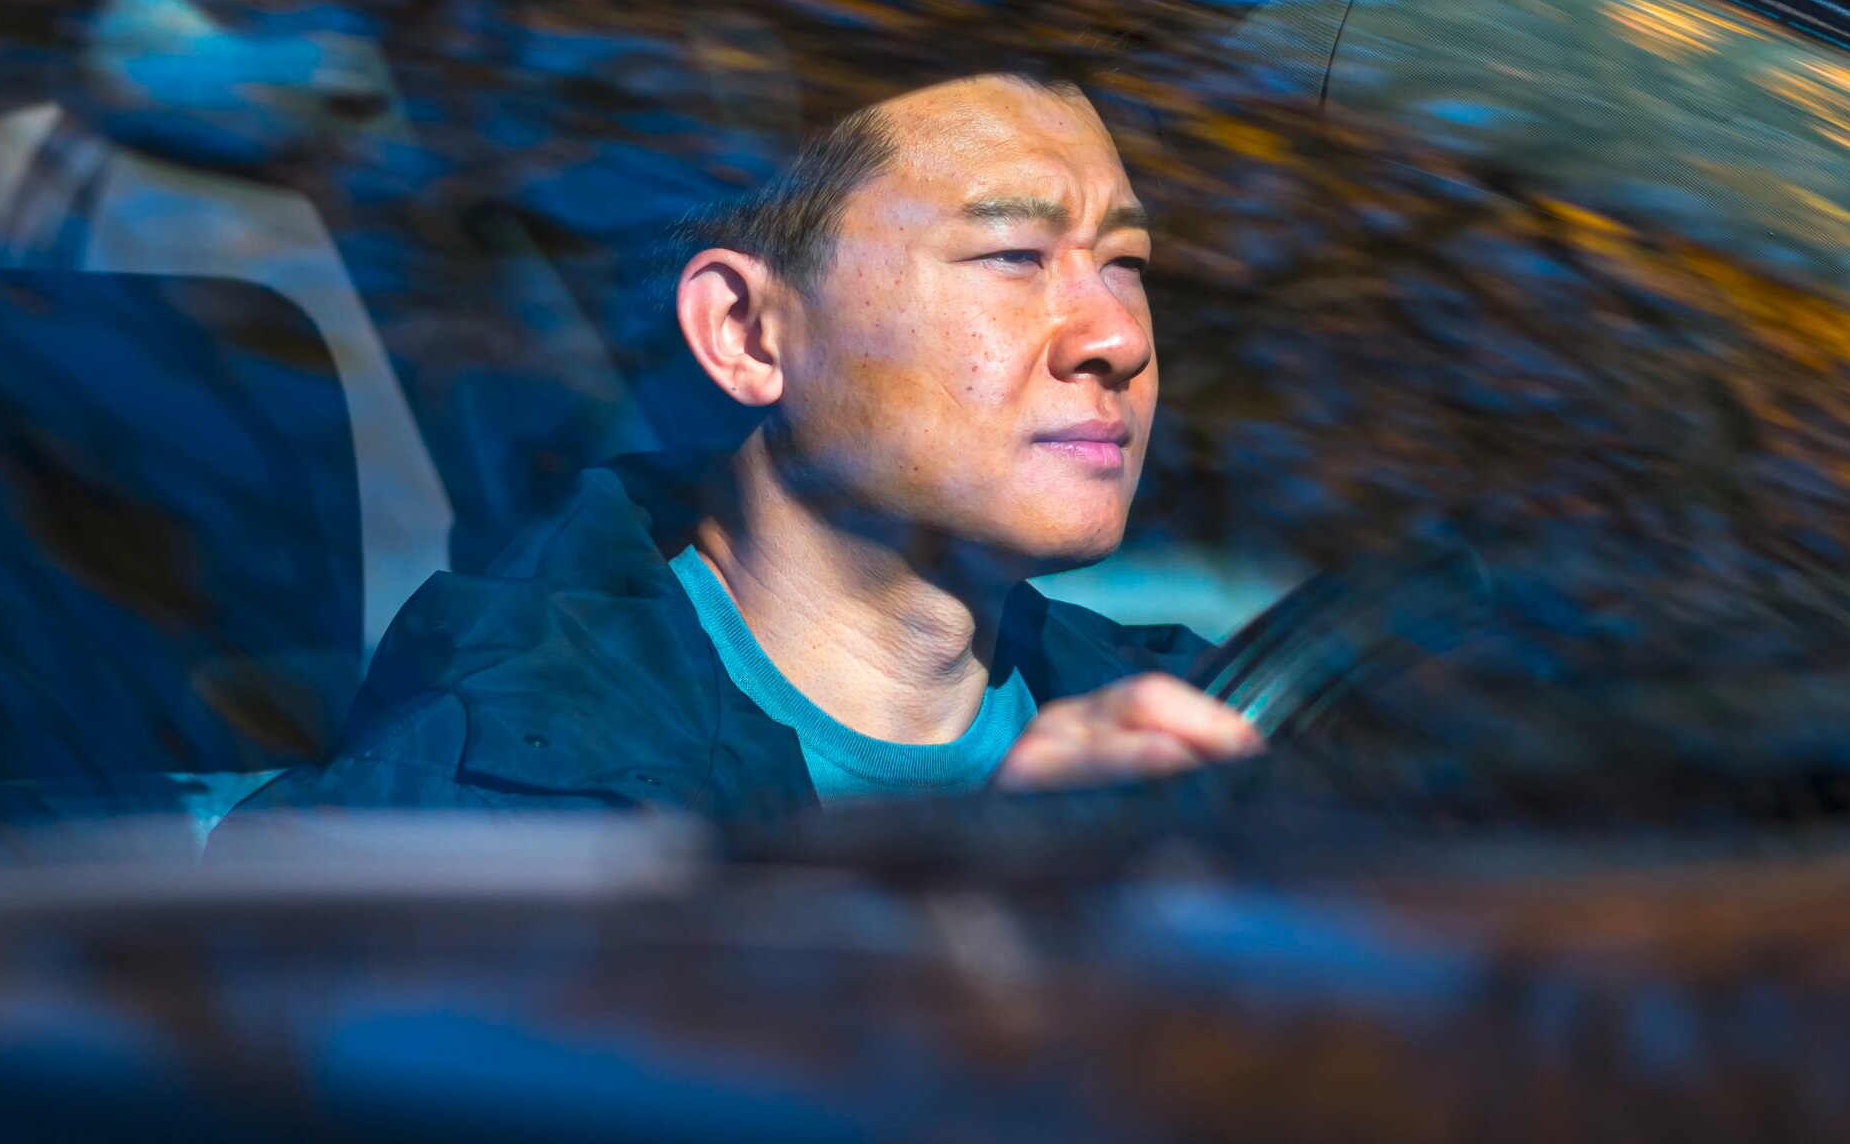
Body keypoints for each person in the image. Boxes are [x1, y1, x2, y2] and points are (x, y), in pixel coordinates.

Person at [240, 69, 1265, 821]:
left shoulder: (1220, 727)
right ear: (746, 333)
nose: (1117, 337)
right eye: (1013, 255)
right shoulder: (483, 799)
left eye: (1126, 261)